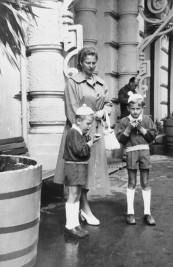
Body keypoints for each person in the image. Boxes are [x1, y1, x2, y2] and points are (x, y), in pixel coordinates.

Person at [54, 46, 112, 226]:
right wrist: (84, 132)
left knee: (89, 171)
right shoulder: (72, 82)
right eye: (88, 63)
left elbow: (109, 103)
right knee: (80, 170)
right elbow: (72, 112)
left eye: (94, 63)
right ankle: (84, 209)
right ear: (80, 62)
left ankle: (82, 207)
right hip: (79, 131)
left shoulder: (102, 82)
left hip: (96, 131)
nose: (92, 66)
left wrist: (104, 111)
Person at [117, 92, 157, 226]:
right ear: (128, 108)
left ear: (142, 108)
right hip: (131, 152)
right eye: (132, 109)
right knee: (132, 182)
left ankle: (147, 213)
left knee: (145, 182)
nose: (135, 111)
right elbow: (121, 139)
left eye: (138, 109)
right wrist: (129, 128)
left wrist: (141, 128)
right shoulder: (124, 121)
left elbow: (152, 137)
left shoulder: (146, 120)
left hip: (144, 152)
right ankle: (130, 213)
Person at [64, 104, 101, 238]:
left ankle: (76, 224)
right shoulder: (73, 132)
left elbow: (83, 150)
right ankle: (70, 225)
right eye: (88, 123)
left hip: (78, 166)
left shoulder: (79, 133)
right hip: (73, 167)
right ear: (78, 121)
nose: (89, 126)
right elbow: (79, 150)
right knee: (73, 195)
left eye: (91, 123)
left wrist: (89, 140)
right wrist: (90, 144)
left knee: (77, 194)